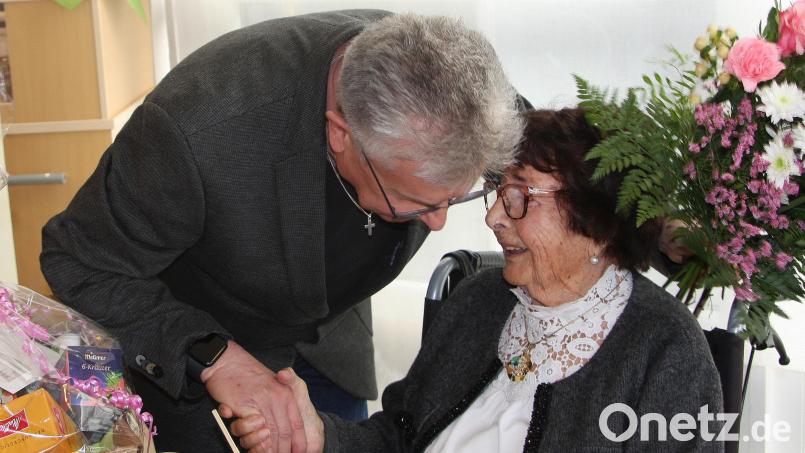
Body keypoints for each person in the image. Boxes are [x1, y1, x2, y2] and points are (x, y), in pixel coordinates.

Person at [39, 10, 524, 453]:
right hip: (202, 349)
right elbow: (79, 260)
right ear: (341, 134)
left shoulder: (458, 91)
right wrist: (215, 356)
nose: (439, 222)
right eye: (416, 201)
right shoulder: (197, 129)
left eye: (457, 195)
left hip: (332, 339)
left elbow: (565, 174)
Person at [230, 108, 725, 452]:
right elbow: (399, 437)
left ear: (595, 223)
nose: (493, 218)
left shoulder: (662, 350)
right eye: (496, 192)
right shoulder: (478, 302)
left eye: (519, 197)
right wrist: (320, 437)